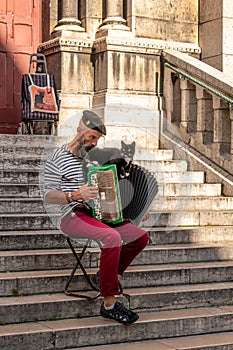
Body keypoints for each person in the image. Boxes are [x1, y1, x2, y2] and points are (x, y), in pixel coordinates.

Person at [44, 110, 149, 325]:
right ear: (80, 130)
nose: (94, 143)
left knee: (140, 237)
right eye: (92, 137)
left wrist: (132, 209)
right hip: (73, 214)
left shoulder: (96, 158)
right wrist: (74, 195)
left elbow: (112, 187)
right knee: (111, 237)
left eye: (97, 139)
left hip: (101, 213)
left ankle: (104, 275)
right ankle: (109, 305)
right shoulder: (57, 157)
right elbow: (48, 195)